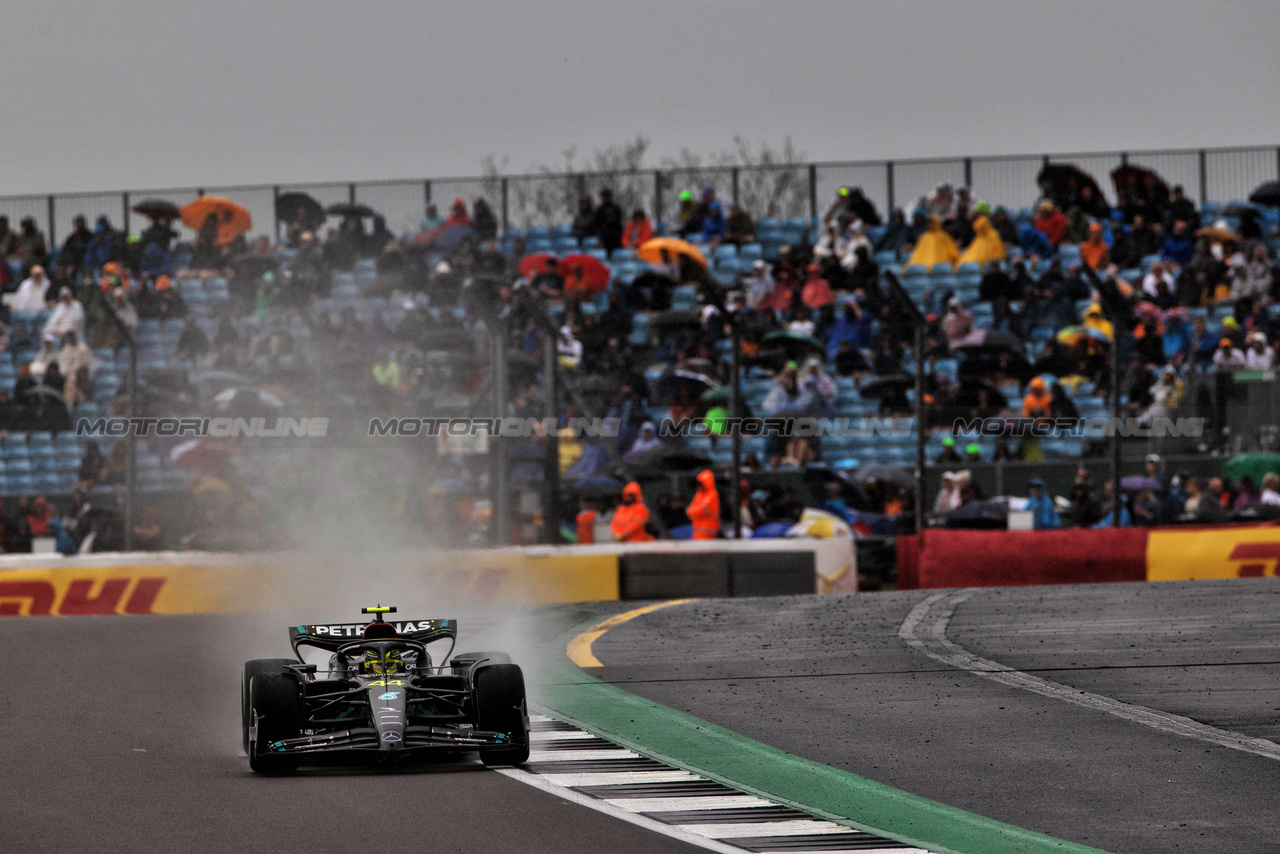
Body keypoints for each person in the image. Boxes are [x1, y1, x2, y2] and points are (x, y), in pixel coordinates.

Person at [686, 470, 720, 540]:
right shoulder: (699, 495)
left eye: (701, 484)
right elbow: (689, 511)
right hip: (697, 530)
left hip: (709, 531)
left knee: (707, 550)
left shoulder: (712, 494)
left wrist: (693, 511)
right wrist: (693, 511)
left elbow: (701, 510)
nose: (699, 486)